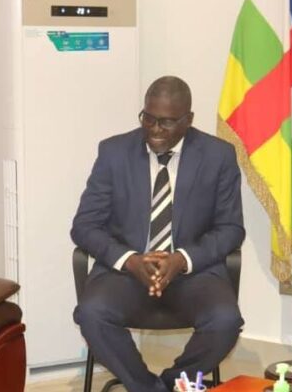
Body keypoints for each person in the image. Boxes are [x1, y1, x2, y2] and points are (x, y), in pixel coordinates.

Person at [71, 75, 245, 392]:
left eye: (166, 122)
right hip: (126, 273)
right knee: (92, 314)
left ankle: (171, 383)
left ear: (188, 120)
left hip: (193, 275)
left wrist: (182, 260)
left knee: (225, 321)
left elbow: (231, 229)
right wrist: (129, 260)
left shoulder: (218, 156)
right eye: (148, 118)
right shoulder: (114, 152)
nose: (154, 129)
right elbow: (84, 225)